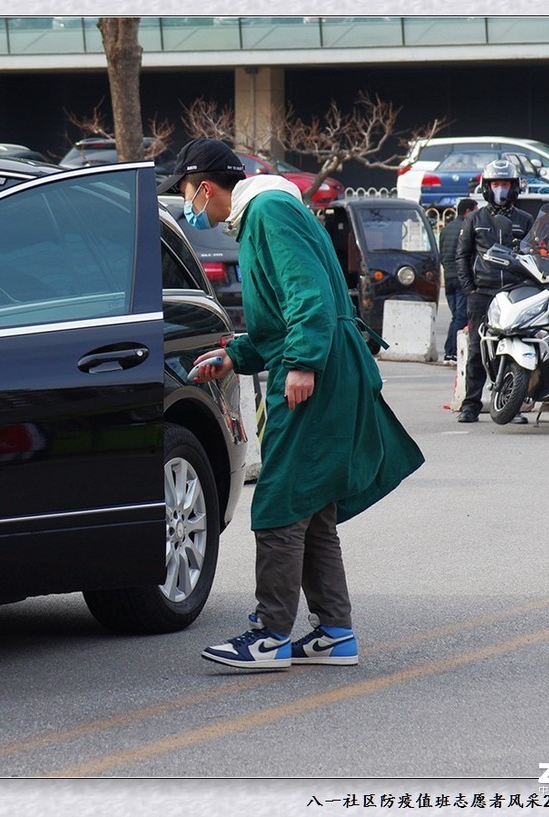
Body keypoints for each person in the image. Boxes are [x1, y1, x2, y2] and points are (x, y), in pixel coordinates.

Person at [161, 139, 425, 671]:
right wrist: (235, 355)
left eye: (186, 192)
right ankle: (334, 632)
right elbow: (279, 314)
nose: (189, 204)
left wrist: (303, 361)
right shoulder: (275, 207)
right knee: (314, 506)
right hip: (330, 363)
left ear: (205, 187)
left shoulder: (268, 212)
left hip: (316, 370)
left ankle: (269, 636)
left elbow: (307, 295)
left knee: (280, 500)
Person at [454, 159, 534, 424]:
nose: (501, 189)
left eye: (506, 184)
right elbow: (461, 256)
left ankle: (513, 402)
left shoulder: (526, 220)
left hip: (515, 293)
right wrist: (470, 289)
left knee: (517, 348)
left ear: (515, 187)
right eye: (496, 184)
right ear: (486, 187)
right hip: (483, 293)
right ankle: (470, 405)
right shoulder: (475, 219)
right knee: (477, 350)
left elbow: (534, 255)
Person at [439, 198, 477, 362]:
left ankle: (452, 351)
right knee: (460, 317)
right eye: (475, 210)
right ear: (468, 211)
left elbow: (441, 253)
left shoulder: (445, 229)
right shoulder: (468, 228)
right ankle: (452, 351)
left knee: (456, 315)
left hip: (448, 278)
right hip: (462, 278)